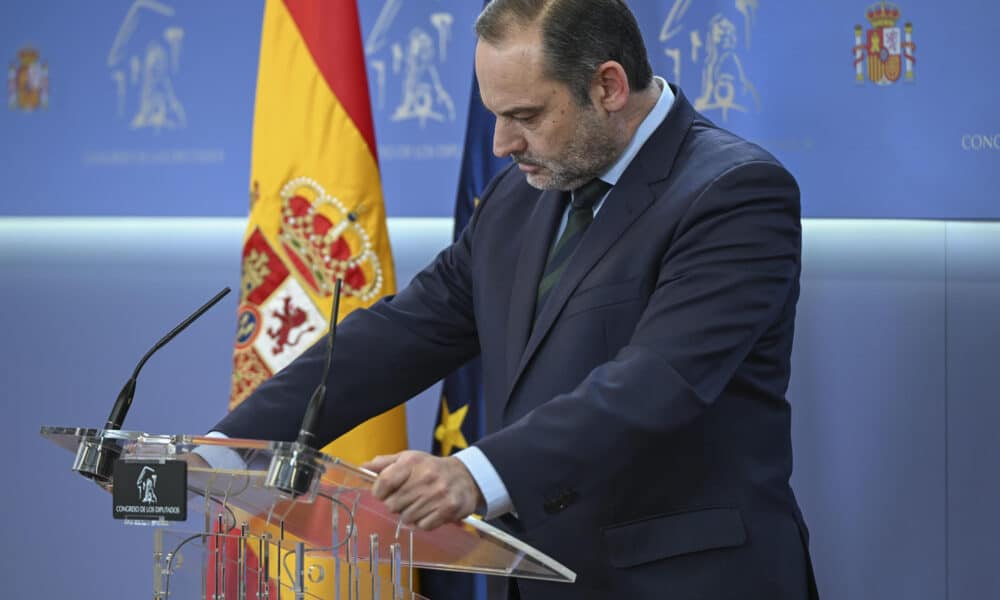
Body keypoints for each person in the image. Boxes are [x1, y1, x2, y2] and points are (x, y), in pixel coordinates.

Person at [210, 0, 818, 598]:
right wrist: (225, 451)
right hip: (547, 575)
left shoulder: (733, 193)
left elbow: (658, 380)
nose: (502, 144)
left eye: (525, 115)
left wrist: (472, 476)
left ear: (608, 86)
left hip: (685, 580)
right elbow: (405, 332)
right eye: (494, 116)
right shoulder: (518, 197)